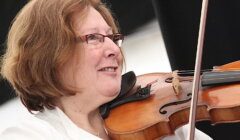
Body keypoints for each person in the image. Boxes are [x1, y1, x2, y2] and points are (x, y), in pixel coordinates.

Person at [0, 0, 212, 139]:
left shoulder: (157, 122)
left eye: (113, 38)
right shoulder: (27, 135)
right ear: (51, 55)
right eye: (93, 38)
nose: (113, 49)